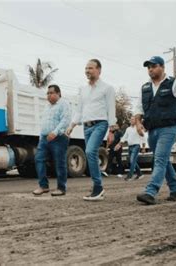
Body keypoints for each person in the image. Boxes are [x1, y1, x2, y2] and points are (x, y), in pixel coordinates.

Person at [134, 56, 176, 205]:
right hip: (152, 130)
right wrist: (138, 123)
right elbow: (139, 108)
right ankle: (175, 189)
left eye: (153, 66)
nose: (150, 69)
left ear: (162, 67)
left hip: (169, 128)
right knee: (162, 160)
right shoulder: (144, 87)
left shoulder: (174, 82)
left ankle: (151, 191)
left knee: (160, 159)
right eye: (148, 67)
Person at [66, 59, 116, 201]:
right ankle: (96, 186)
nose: (88, 71)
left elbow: (111, 110)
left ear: (99, 70)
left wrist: (112, 130)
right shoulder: (83, 89)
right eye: (86, 68)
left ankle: (98, 187)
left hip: (100, 124)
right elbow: (79, 109)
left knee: (89, 151)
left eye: (91, 68)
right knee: (90, 155)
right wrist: (72, 125)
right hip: (86, 126)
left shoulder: (107, 88)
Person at [33, 84, 71, 196]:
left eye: (51, 93)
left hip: (59, 138)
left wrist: (55, 132)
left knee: (59, 163)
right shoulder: (47, 107)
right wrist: (41, 137)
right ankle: (43, 186)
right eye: (47, 93)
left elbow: (65, 120)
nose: (48, 95)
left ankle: (61, 188)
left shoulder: (64, 104)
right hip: (44, 138)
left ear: (58, 93)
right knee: (39, 159)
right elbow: (44, 123)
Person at [114, 116, 145, 181]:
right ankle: (140, 174)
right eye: (131, 119)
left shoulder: (138, 128)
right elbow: (124, 137)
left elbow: (143, 137)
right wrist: (118, 144)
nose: (131, 120)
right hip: (130, 146)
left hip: (136, 146)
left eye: (133, 119)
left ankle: (129, 176)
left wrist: (143, 147)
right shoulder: (128, 129)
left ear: (135, 121)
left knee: (132, 160)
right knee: (133, 161)